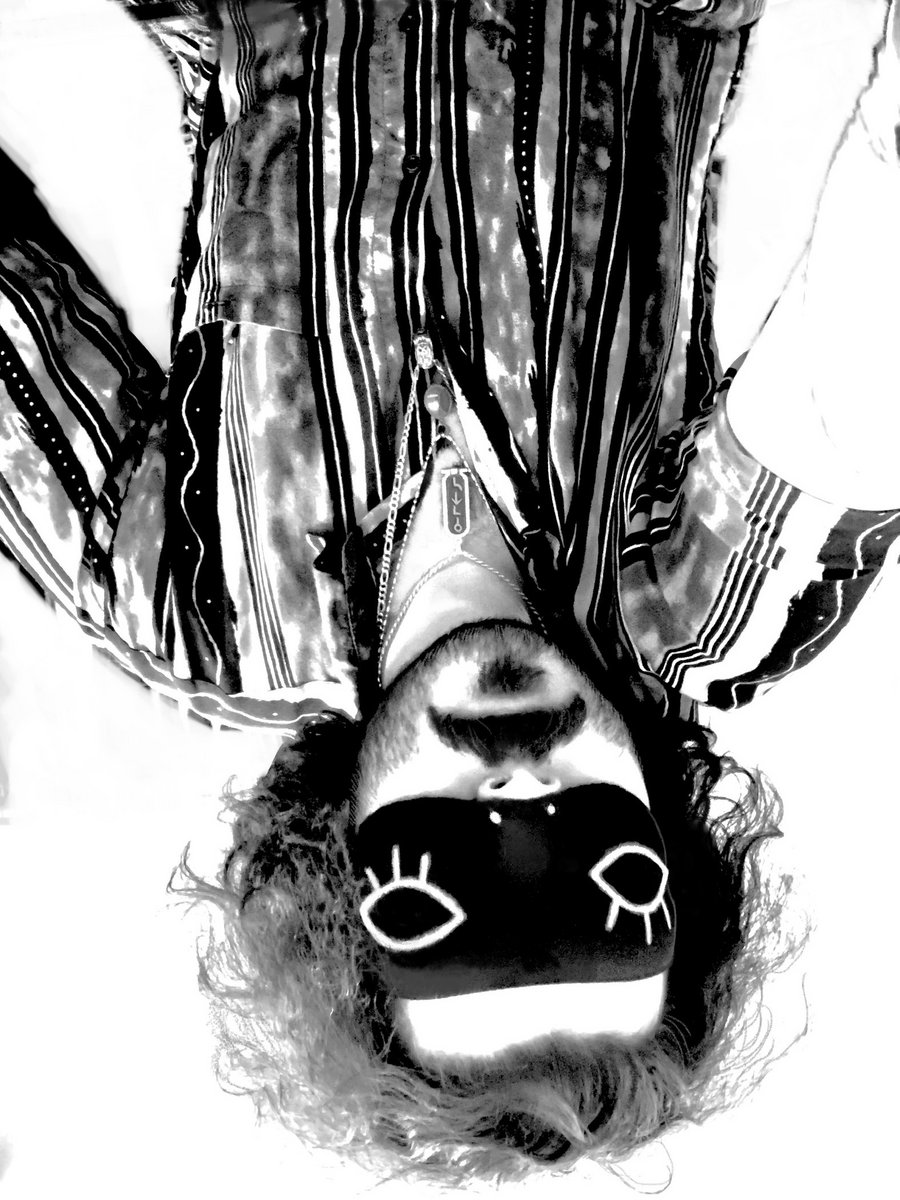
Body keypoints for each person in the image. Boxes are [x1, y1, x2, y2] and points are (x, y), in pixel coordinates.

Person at [1, 0, 897, 1183]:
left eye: (444, 895)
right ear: (672, 851)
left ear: (340, 880)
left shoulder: (199, 617)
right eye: (606, 877)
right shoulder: (699, 609)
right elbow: (862, 378)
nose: (520, 793)